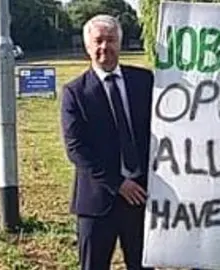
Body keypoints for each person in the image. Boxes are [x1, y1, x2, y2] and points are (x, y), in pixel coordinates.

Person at [60, 14, 154, 270]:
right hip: (97, 202)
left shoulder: (146, 81)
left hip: (142, 198)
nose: (105, 47)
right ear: (88, 47)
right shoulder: (74, 93)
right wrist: (118, 183)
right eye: (98, 41)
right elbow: (76, 149)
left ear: (120, 43)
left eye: (111, 40)